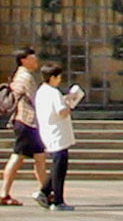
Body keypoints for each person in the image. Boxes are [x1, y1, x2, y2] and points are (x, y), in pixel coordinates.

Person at [0, 46, 49, 206]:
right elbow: (35, 100)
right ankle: (4, 193)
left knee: (39, 158)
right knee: (18, 157)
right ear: (23, 60)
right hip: (26, 122)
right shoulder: (25, 77)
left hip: (28, 122)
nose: (36, 62)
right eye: (32, 59)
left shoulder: (22, 75)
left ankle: (46, 191)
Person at [34, 61, 84, 211]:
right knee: (59, 168)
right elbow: (62, 111)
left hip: (48, 131)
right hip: (58, 133)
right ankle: (57, 200)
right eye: (59, 77)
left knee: (58, 166)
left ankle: (44, 192)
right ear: (53, 77)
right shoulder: (53, 92)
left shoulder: (41, 91)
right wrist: (71, 101)